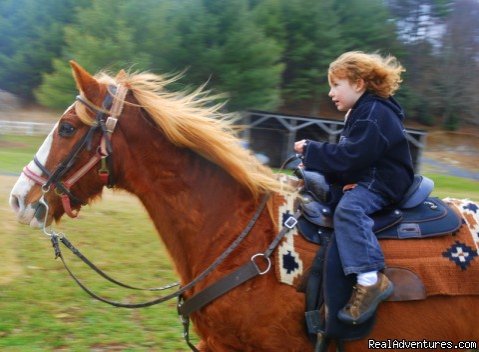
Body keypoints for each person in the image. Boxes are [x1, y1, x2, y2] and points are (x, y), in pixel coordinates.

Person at [294, 51, 414, 325]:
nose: (330, 92)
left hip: (383, 180)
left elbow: (352, 155)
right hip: (368, 173)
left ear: (358, 83)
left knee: (349, 209)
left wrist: (312, 150)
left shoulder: (374, 112)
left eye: (336, 85)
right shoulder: (361, 111)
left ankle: (370, 279)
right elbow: (353, 156)